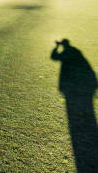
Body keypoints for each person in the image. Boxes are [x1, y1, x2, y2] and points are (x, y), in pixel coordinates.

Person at [51, 39, 98, 172]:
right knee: (85, 113)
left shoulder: (66, 53)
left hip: (71, 88)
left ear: (64, 45)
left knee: (75, 113)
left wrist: (56, 47)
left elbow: (53, 56)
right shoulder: (77, 52)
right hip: (80, 88)